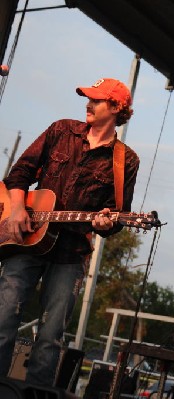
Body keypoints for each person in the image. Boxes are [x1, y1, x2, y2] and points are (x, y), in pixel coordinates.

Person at [0, 77, 139, 386]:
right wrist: (19, 209)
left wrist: (107, 223)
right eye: (88, 98)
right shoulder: (61, 130)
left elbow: (115, 217)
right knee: (4, 317)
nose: (88, 104)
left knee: (50, 337)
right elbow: (19, 173)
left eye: (96, 100)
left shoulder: (125, 160)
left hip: (70, 254)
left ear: (116, 108)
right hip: (25, 240)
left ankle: (35, 393)